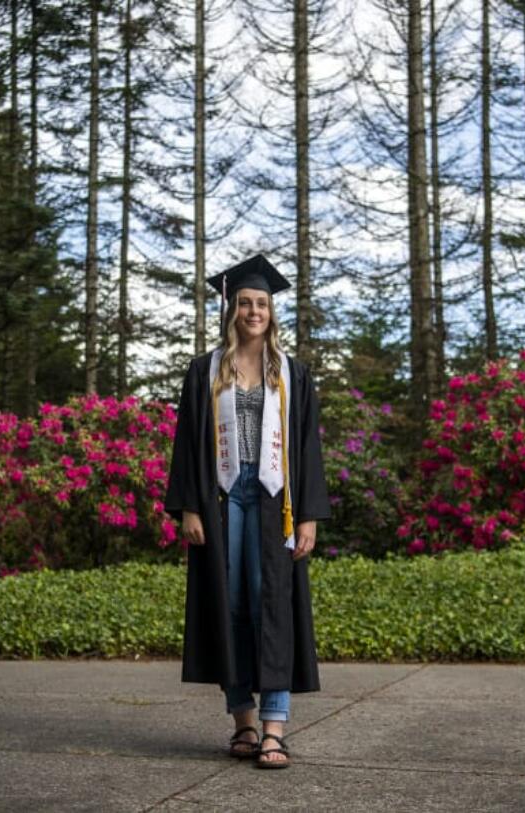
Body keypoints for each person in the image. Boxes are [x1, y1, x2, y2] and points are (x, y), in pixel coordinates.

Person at [164, 253, 331, 770]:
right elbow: (188, 443)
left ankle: (275, 726)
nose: (254, 310)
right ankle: (243, 719)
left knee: (273, 604)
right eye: (245, 302)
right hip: (222, 497)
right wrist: (189, 506)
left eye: (261, 303)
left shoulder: (292, 375)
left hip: (274, 498)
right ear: (232, 309)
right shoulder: (205, 370)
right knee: (231, 602)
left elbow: (307, 447)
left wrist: (307, 514)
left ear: (271, 311)